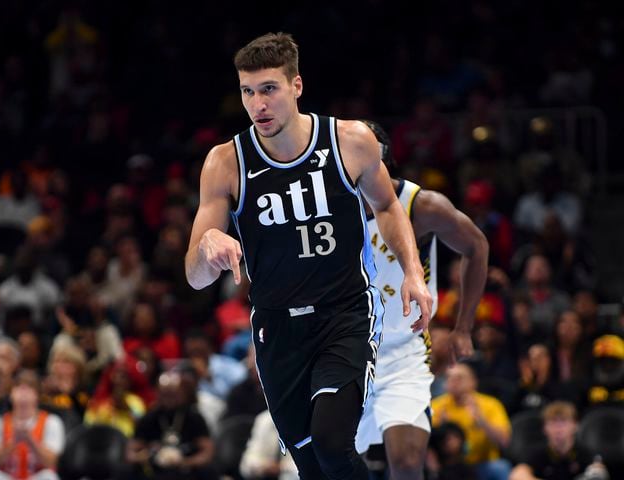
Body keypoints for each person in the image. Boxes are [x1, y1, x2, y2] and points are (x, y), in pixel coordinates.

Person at [185, 32, 431, 479]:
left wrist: (413, 273)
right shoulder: (226, 163)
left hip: (344, 314)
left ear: (296, 86)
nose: (258, 104)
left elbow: (388, 205)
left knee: (333, 443)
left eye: (269, 89)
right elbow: (195, 277)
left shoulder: (350, 140)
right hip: (277, 327)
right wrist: (206, 246)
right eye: (247, 92)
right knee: (311, 466)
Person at [355, 121, 488, 480]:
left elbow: (476, 247)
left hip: (403, 353)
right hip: (344, 352)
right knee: (333, 464)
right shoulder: (326, 209)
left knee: (408, 460)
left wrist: (463, 328)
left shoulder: (420, 205)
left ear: (380, 159)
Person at [431, 362, 512, 480]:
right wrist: (441, 430)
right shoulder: (436, 406)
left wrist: (482, 422)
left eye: (459, 378)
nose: (454, 381)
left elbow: (504, 442)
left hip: (482, 464)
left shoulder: (490, 404)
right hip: (448, 466)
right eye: (449, 377)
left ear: (473, 381)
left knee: (500, 467)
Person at [0, 369, 65, 480]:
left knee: (50, 476)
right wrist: (13, 441)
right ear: (11, 394)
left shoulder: (52, 422)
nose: (23, 394)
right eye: (19, 389)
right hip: (8, 476)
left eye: (29, 389)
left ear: (37, 395)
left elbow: (51, 463)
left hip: (35, 477)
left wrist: (30, 440)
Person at [510, 401, 608, 480]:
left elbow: (599, 472)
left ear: (575, 426)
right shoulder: (536, 452)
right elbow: (516, 475)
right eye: (553, 422)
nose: (558, 429)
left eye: (563, 422)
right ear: (544, 428)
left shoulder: (586, 452)